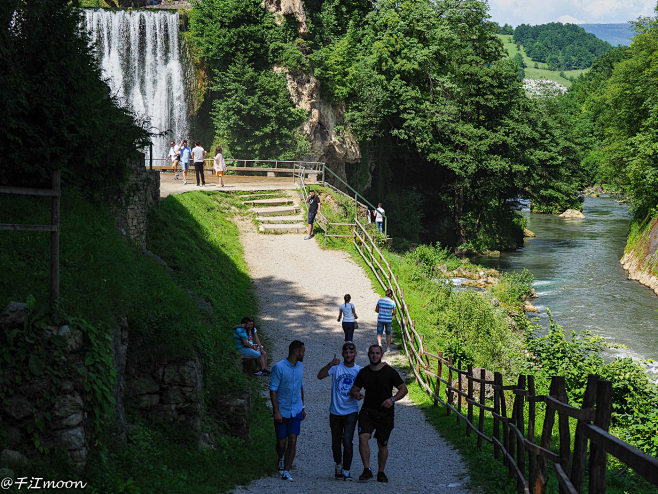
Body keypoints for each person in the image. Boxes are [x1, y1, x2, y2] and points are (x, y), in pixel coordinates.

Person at [350, 344, 407, 483]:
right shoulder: (363, 372)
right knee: (363, 437)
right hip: (368, 412)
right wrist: (356, 394)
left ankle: (381, 472)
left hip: (385, 414)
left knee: (382, 444)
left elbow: (403, 389)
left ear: (381, 355)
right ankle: (367, 469)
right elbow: (354, 389)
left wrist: (392, 399)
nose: (374, 355)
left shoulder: (389, 372)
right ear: (368, 355)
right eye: (372, 353)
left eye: (377, 353)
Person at [317, 342, 362, 481]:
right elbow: (320, 376)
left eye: (351, 352)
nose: (348, 355)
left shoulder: (359, 370)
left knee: (347, 441)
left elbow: (372, 381)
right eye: (346, 352)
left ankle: (347, 470)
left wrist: (359, 395)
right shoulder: (336, 367)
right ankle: (338, 464)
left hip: (351, 411)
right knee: (336, 442)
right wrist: (330, 364)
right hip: (335, 411)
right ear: (343, 354)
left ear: (355, 354)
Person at [270, 340, 306, 482]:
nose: (304, 354)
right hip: (283, 410)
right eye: (303, 351)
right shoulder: (279, 368)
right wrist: (276, 411)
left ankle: (287, 470)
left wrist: (302, 407)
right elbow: (273, 390)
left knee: (293, 439)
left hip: (296, 410)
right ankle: (280, 457)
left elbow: (300, 386)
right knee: (281, 443)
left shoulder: (300, 366)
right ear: (296, 351)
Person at [375, 289, 396, 353]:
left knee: (379, 333)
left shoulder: (380, 300)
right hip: (388, 320)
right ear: (390, 295)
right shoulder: (392, 302)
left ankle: (380, 345)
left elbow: (376, 310)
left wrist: (380, 312)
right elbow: (395, 313)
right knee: (388, 334)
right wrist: (390, 314)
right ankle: (388, 348)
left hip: (381, 319)